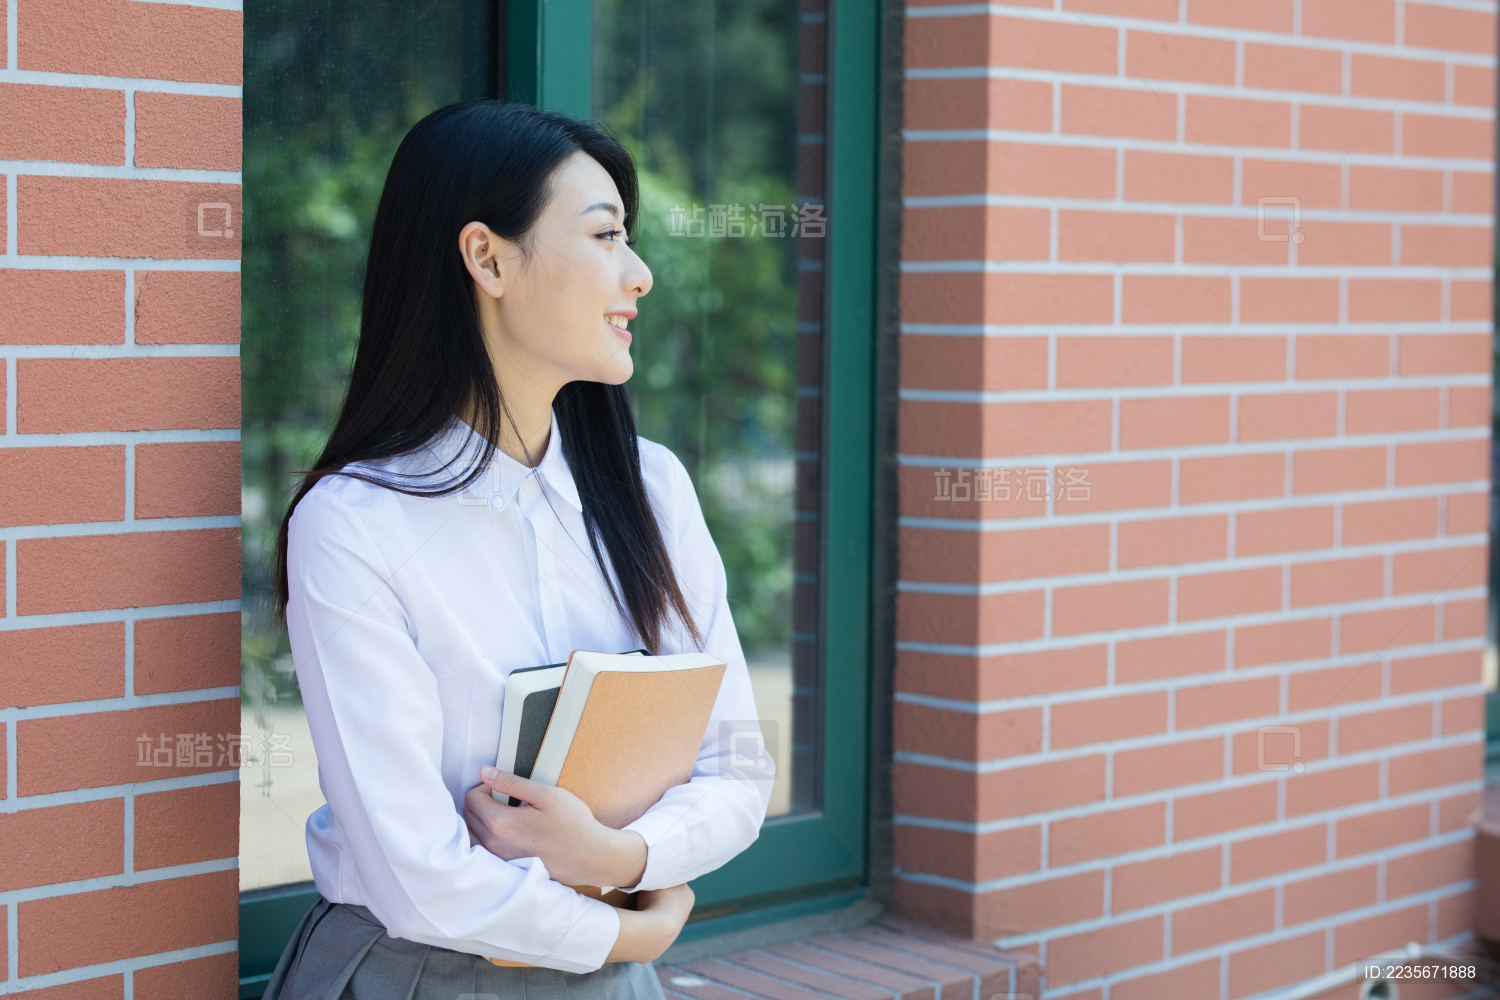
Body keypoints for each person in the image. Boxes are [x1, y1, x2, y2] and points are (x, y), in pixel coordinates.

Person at [258, 100, 771, 1000]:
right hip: (414, 975)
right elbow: (416, 873)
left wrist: (623, 855)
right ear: (487, 258)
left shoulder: (652, 493)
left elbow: (737, 767)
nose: (640, 274)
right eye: (607, 236)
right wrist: (620, 928)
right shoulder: (354, 524)